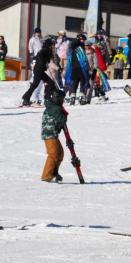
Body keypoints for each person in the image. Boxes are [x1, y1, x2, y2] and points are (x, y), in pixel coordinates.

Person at [39, 38, 67, 183]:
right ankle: (46, 175)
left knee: (60, 153)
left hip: (53, 133)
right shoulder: (52, 106)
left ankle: (54, 172)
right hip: (49, 133)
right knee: (53, 153)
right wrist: (63, 119)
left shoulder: (56, 106)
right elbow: (59, 117)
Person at [65, 34, 90, 106]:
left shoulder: (73, 47)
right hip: (80, 68)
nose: (83, 41)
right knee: (82, 82)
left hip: (74, 68)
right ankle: (80, 98)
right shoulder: (79, 47)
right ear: (79, 39)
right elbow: (84, 60)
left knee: (76, 82)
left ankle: (73, 98)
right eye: (82, 40)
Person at [22, 27, 44, 106]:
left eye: (39, 32)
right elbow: (30, 48)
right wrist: (32, 55)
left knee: (39, 80)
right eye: (37, 32)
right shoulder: (32, 39)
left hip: (41, 60)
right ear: (34, 33)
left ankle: (36, 97)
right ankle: (32, 96)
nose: (38, 34)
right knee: (35, 78)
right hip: (35, 59)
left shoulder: (42, 40)